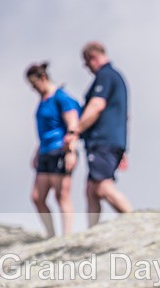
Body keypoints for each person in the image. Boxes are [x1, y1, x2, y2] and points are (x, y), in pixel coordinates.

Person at [69, 41, 133, 227]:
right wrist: (123, 148)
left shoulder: (105, 76)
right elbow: (125, 115)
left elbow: (96, 105)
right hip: (112, 141)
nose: (86, 68)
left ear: (92, 58)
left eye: (86, 63)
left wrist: (76, 130)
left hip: (103, 140)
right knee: (91, 189)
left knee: (103, 187)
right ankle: (93, 231)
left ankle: (134, 219)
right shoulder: (116, 77)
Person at [26, 62, 81, 238]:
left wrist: (71, 151)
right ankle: (50, 234)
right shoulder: (42, 101)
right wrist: (37, 151)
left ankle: (67, 236)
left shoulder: (61, 97)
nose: (33, 89)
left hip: (61, 149)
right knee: (37, 197)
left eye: (34, 85)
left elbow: (73, 124)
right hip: (45, 151)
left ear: (43, 78)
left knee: (61, 195)